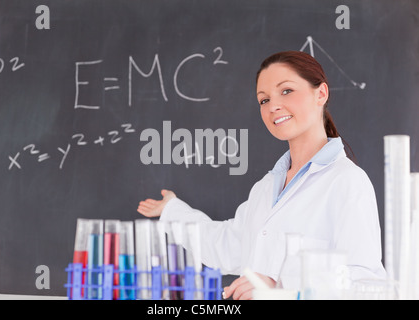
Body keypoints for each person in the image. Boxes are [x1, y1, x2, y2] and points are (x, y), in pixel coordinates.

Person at [137, 51, 386, 300]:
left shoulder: (347, 181)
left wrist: (281, 291)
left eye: (286, 91)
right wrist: (172, 210)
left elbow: (366, 285)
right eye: (263, 100)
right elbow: (227, 245)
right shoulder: (266, 187)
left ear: (320, 93)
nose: (273, 106)